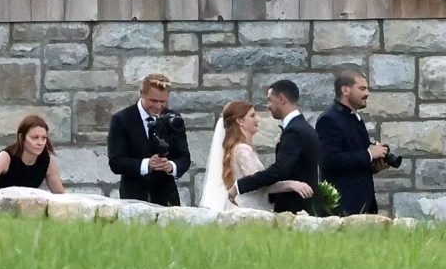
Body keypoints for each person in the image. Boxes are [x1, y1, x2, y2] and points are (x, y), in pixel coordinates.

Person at [199, 100, 313, 211]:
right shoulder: (242, 150)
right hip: (248, 209)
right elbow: (260, 183)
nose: (257, 119)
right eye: (252, 116)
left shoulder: (237, 148)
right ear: (239, 121)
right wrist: (291, 185)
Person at [227, 80, 320, 214]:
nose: (268, 106)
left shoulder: (295, 131)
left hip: (295, 208)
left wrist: (239, 186)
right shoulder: (301, 127)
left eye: (270, 100)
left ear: (281, 99)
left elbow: (279, 170)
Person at [108, 73, 190, 206]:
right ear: (142, 94)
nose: (158, 106)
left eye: (163, 102)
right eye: (153, 101)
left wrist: (171, 166)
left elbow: (184, 157)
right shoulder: (122, 119)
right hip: (133, 198)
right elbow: (116, 162)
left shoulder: (173, 118)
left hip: (167, 198)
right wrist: (147, 164)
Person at [315, 70, 389, 216]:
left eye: (367, 89)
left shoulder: (355, 118)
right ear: (345, 90)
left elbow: (353, 160)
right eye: (362, 88)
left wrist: (374, 166)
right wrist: (369, 154)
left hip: (362, 205)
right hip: (342, 207)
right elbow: (329, 160)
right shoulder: (328, 120)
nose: (367, 93)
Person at [0, 115, 65, 196]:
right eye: (34, 138)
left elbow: (60, 195)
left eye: (44, 138)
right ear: (22, 138)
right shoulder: (6, 158)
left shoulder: (47, 162)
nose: (40, 143)